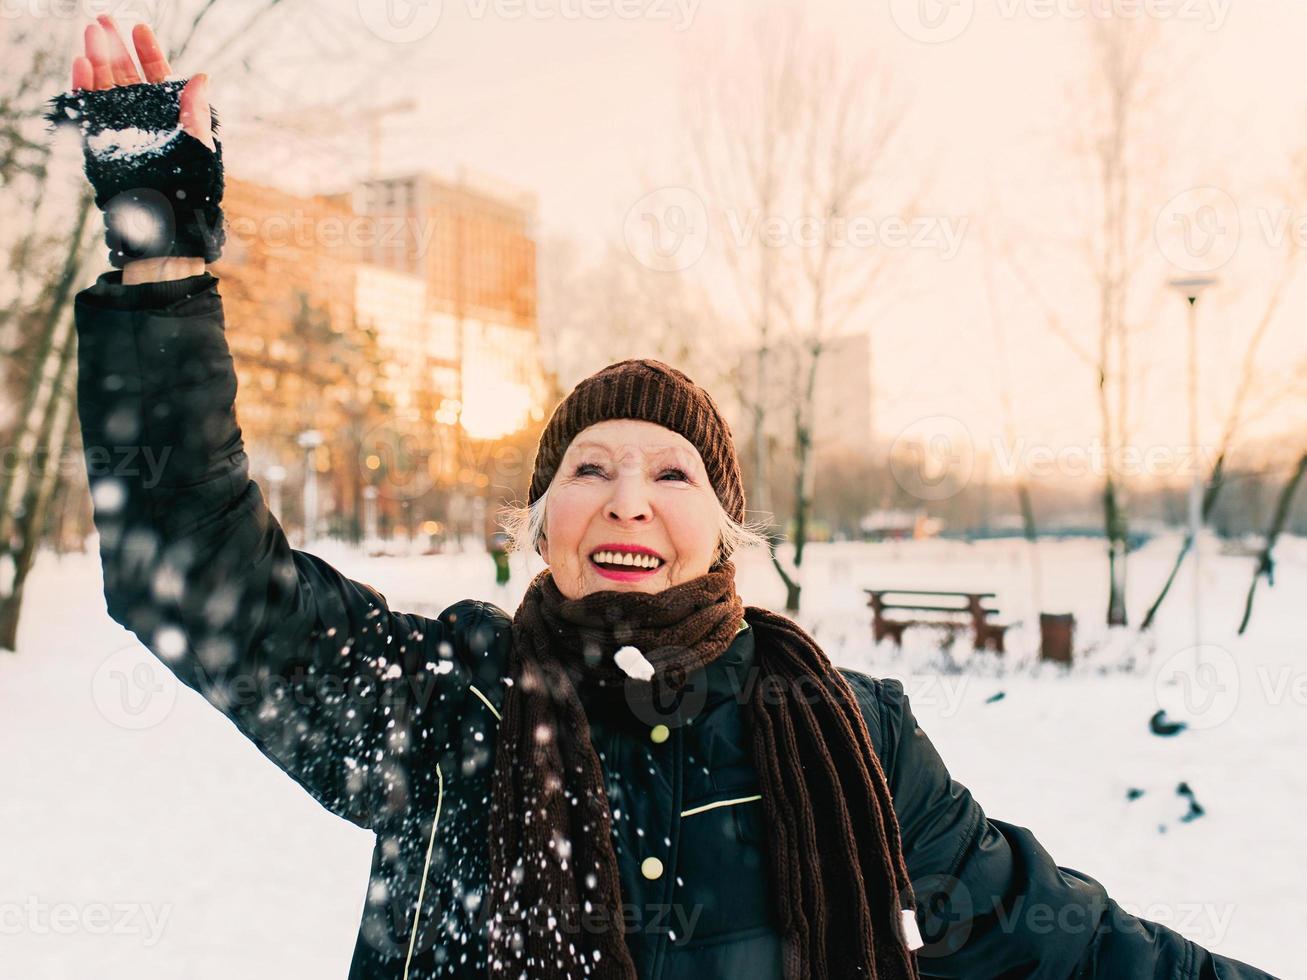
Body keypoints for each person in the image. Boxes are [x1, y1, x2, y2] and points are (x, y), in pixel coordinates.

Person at [59, 17, 1277, 980]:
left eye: (670, 471)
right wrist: (157, 248)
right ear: (540, 527)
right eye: (586, 469)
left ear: (723, 533)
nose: (625, 497)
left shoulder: (853, 734)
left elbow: (1061, 944)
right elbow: (191, 567)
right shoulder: (450, 711)